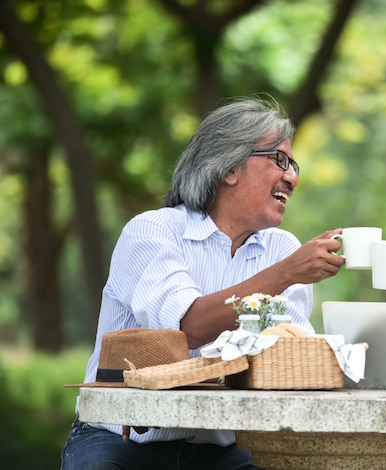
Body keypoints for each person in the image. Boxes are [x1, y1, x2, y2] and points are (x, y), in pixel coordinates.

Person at [61, 96, 345, 470]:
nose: (291, 177)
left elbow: (281, 358)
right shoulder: (153, 232)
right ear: (229, 167)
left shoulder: (283, 249)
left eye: (293, 164)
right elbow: (188, 327)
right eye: (279, 159)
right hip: (125, 442)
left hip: (222, 447)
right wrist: (286, 273)